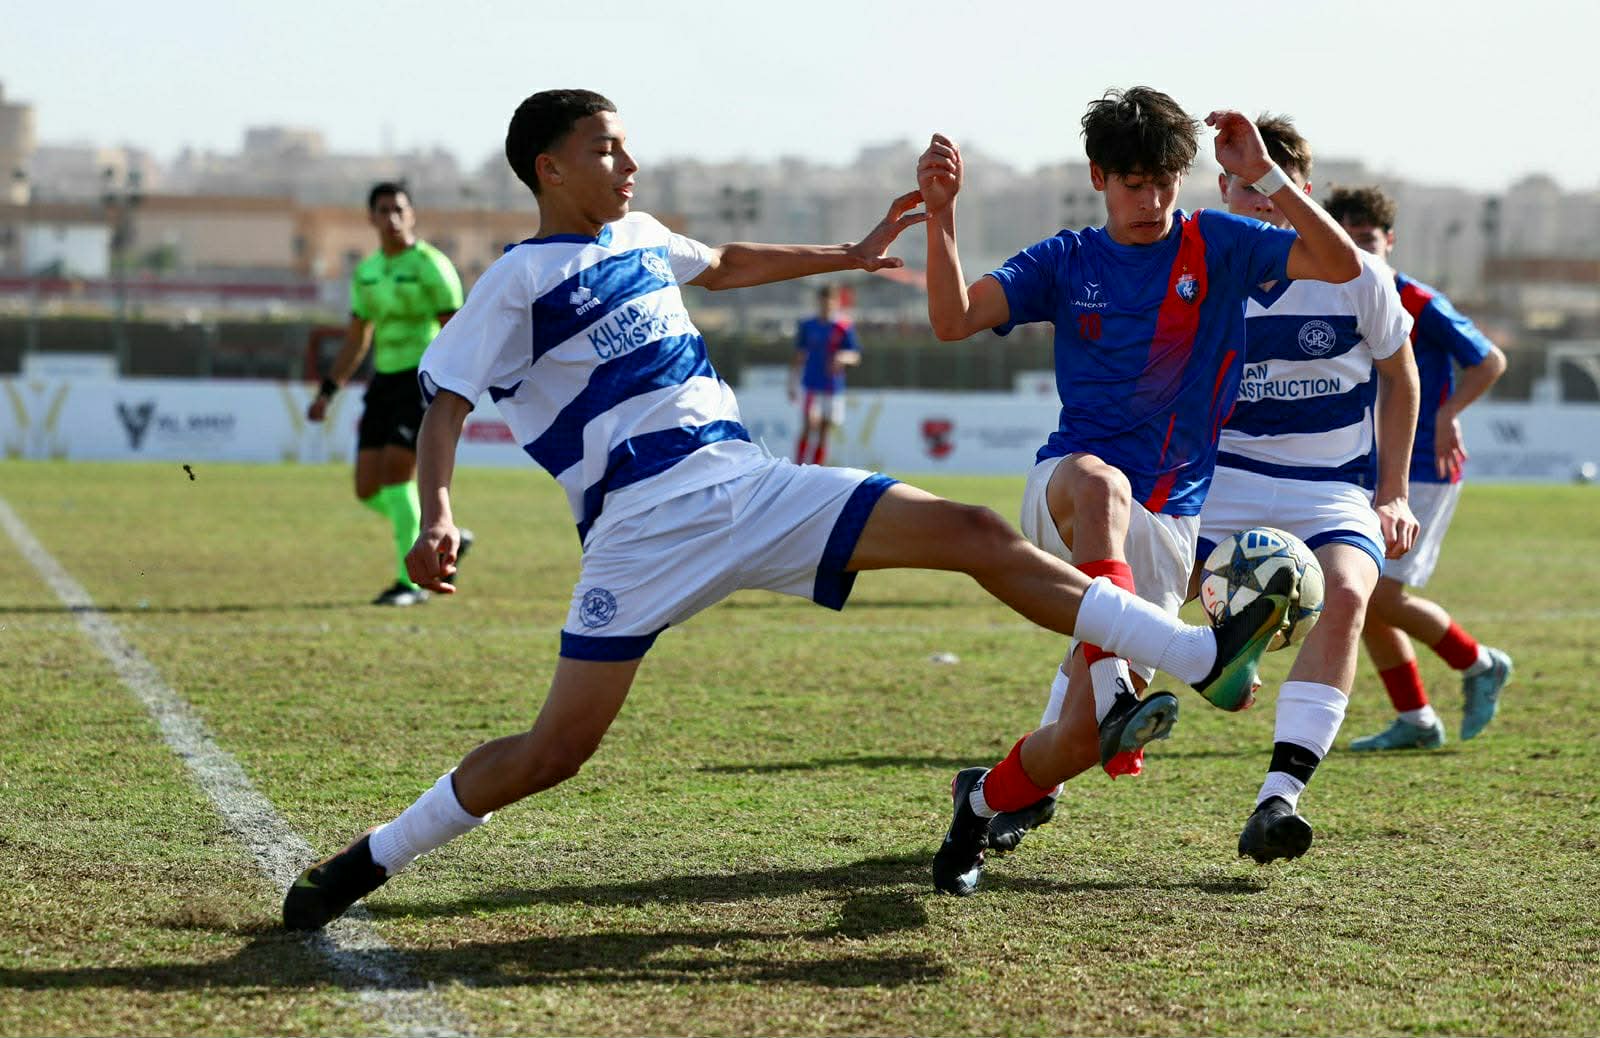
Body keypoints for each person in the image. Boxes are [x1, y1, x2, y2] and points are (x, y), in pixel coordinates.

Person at [281, 88, 1293, 931]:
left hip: (750, 486)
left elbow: (721, 263)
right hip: (638, 533)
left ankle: (1200, 658)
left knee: (976, 534)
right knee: (554, 753)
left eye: (628, 145)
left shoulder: (636, 235)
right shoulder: (512, 280)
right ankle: (367, 861)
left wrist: (849, 255)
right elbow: (445, 402)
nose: (628, 163)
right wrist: (438, 512)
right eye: (606, 148)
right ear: (549, 167)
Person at [916, 88, 1365, 896]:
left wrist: (1269, 178)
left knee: (1076, 745)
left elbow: (1341, 266)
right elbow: (950, 320)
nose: (1151, 200)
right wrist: (942, 215)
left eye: (1165, 181)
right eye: (1132, 182)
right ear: (1099, 177)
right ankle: (1128, 689)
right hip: (1066, 490)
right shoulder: (1066, 260)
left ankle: (978, 804)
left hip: (1166, 525)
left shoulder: (1220, 243)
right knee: (1103, 482)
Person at [1325, 186, 1513, 751]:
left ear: (1390, 242)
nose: (1361, 251)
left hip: (1423, 468)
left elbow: (1489, 361)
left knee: (1378, 595)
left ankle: (1477, 662)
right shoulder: (1333, 296)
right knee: (1363, 593)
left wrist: (1447, 414)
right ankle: (1415, 719)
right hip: (1365, 469)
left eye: (1369, 240)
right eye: (1348, 240)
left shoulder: (1414, 296)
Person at [307, 181, 468, 607]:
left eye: (399, 209)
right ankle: (440, 532)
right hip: (383, 381)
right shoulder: (367, 272)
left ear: (411, 214)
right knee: (366, 488)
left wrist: (458, 388)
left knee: (398, 477)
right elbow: (358, 337)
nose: (392, 217)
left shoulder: (432, 265)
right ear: (371, 218)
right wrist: (329, 389)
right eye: (383, 210)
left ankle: (409, 584)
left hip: (421, 380)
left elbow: (456, 330)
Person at [789, 285, 861, 464]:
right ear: (818, 301)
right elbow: (799, 356)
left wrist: (843, 357)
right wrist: (791, 382)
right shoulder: (808, 325)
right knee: (809, 423)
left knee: (824, 430)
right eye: (823, 300)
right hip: (811, 384)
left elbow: (855, 355)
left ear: (836, 302)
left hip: (832, 387)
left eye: (830, 300)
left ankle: (816, 469)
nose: (826, 304)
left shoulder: (843, 326)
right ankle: (798, 467)